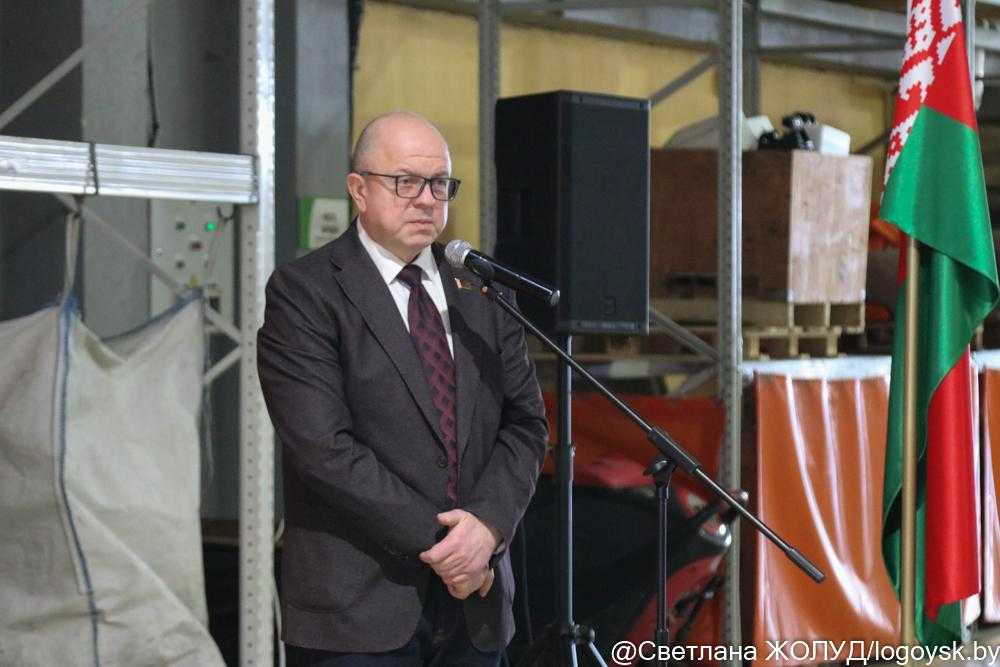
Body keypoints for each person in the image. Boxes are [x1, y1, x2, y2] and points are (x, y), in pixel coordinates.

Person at [257, 110, 548, 666]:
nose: (426, 200)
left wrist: (487, 529)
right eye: (406, 182)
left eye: (439, 184)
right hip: (358, 610)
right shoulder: (305, 293)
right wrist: (451, 549)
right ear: (358, 190)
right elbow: (323, 449)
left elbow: (525, 424)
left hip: (475, 606)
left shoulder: (484, 293)